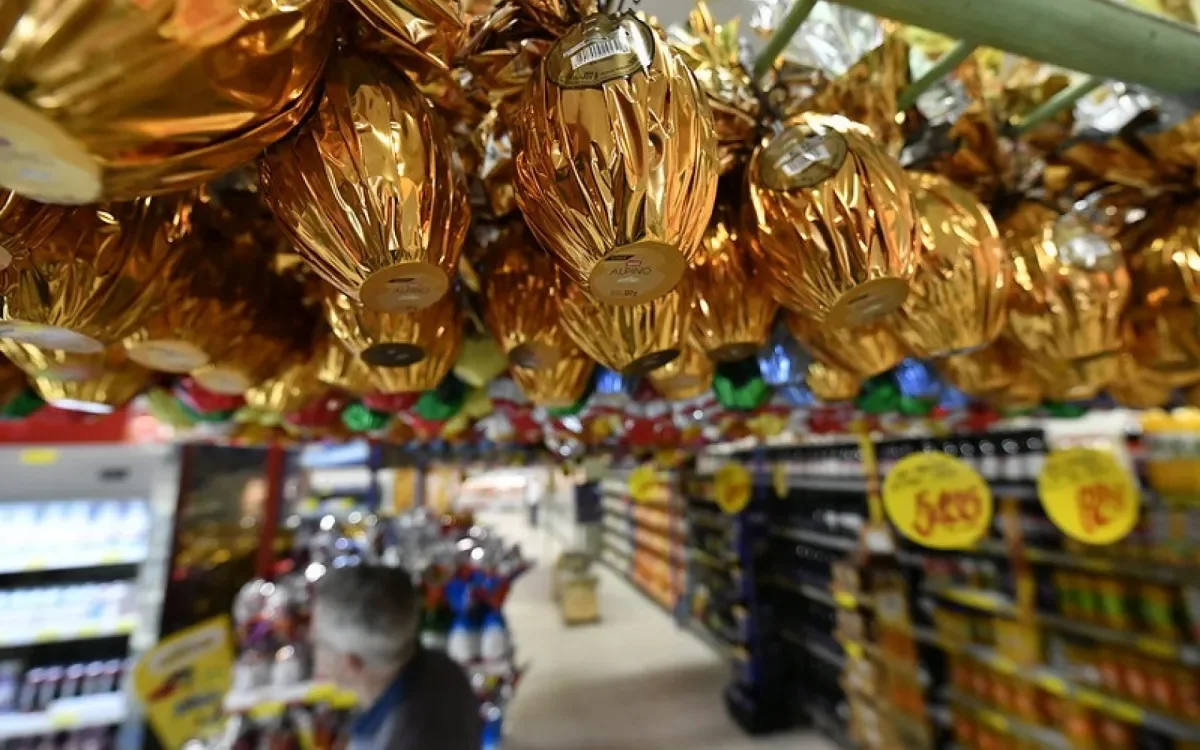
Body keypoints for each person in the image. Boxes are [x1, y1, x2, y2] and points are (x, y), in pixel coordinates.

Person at [312, 565, 482, 750]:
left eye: (319, 643)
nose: (312, 647)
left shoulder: (394, 740)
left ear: (351, 663)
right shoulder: (445, 670)